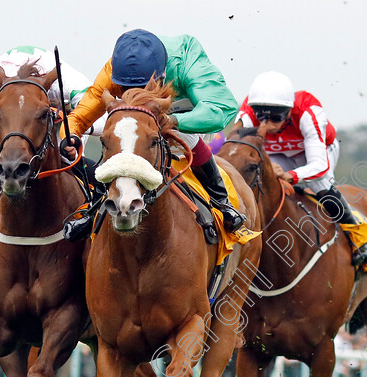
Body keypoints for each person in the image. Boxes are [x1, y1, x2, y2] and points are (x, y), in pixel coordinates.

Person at [61, 29, 245, 241]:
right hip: (139, 118)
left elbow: (221, 109)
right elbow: (83, 113)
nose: (135, 95)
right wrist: (70, 134)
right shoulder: (115, 68)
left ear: (162, 75)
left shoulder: (187, 62)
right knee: (118, 138)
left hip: (185, 107)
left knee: (185, 136)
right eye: (128, 88)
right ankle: (95, 208)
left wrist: (175, 121)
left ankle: (222, 201)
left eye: (141, 88)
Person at [236, 71, 367, 266]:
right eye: (261, 116)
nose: (267, 124)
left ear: (288, 111)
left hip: (314, 154)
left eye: (275, 117)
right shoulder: (248, 110)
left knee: (320, 185)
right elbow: (235, 147)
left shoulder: (308, 111)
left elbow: (319, 166)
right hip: (276, 155)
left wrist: (290, 176)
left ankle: (360, 240)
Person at [0, 45, 93, 153]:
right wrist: (16, 132)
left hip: (62, 134)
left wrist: (70, 130)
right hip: (10, 150)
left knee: (68, 158)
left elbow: (101, 120)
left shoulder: (68, 80)